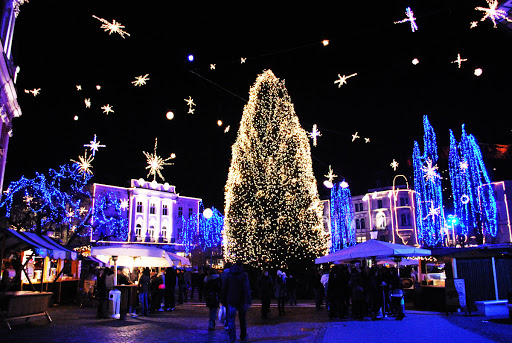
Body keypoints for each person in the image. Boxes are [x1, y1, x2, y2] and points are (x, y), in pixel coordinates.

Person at [222, 260, 251, 343]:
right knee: (242, 319)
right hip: (242, 300)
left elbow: (225, 288)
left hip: (231, 299)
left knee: (231, 319)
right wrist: (248, 300)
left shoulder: (229, 275)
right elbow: (246, 288)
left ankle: (232, 337)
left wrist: (223, 300)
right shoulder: (244, 275)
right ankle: (243, 336)